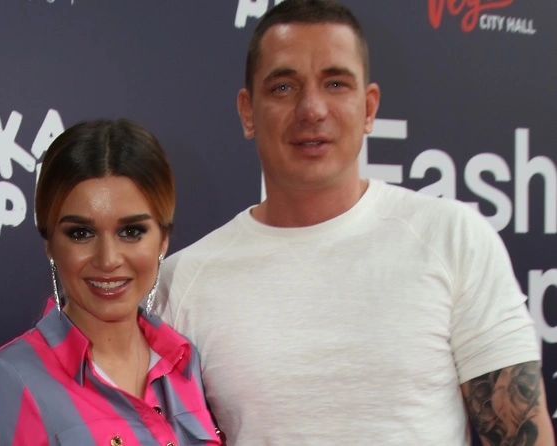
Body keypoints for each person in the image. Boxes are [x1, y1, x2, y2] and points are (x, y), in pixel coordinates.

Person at [154, 1, 555, 444]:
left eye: (335, 84)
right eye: (284, 87)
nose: (312, 109)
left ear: (369, 108)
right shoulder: (183, 282)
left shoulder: (453, 239)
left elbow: (524, 434)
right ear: (248, 111)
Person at [0, 119, 223, 445]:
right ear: (50, 243)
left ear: (163, 239)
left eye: (131, 231)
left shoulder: (184, 360)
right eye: (81, 233)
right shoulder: (11, 381)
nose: (108, 259)